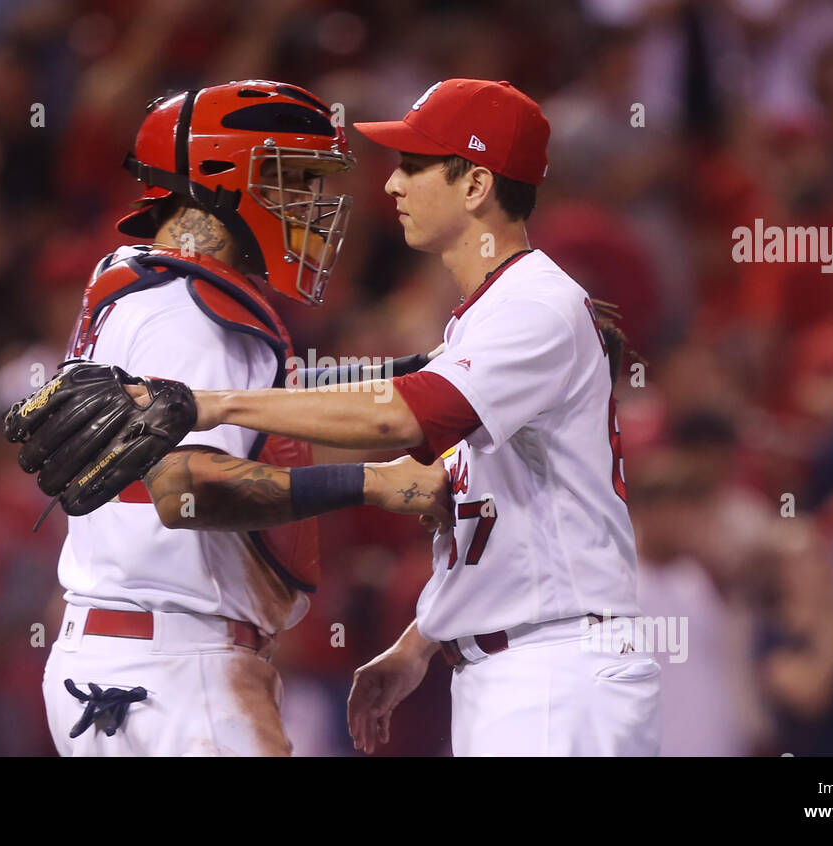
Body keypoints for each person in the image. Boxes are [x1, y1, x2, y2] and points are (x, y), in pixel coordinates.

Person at [172, 79, 662, 756]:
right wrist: (422, 638)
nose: (393, 185)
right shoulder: (487, 318)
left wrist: (207, 403)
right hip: (525, 669)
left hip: (555, 673)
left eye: (414, 165)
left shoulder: (534, 306)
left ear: (476, 186)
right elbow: (502, 513)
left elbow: (397, 419)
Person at [37, 80, 451, 756]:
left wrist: (412, 369)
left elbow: (268, 402)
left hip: (131, 658)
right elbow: (187, 489)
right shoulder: (193, 316)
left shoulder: (143, 282)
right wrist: (373, 483)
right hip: (178, 670)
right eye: (293, 179)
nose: (315, 205)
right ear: (223, 178)